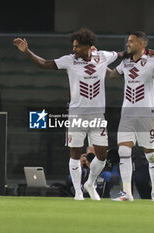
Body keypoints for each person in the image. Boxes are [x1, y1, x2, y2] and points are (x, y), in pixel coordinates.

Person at [14, 28, 127, 201]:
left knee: (102, 155)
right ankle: (78, 192)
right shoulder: (69, 60)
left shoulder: (102, 56)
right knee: (75, 153)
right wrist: (27, 51)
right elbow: (44, 63)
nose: (73, 49)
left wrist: (144, 52)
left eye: (77, 47)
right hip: (76, 115)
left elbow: (122, 54)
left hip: (98, 115)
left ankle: (90, 183)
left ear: (88, 46)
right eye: (73, 46)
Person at [109, 31, 154, 202]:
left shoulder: (153, 61)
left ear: (142, 44)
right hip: (127, 114)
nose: (127, 44)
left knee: (151, 154)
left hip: (146, 115)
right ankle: (127, 193)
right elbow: (111, 75)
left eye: (131, 42)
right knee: (124, 151)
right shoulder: (125, 63)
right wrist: (97, 63)